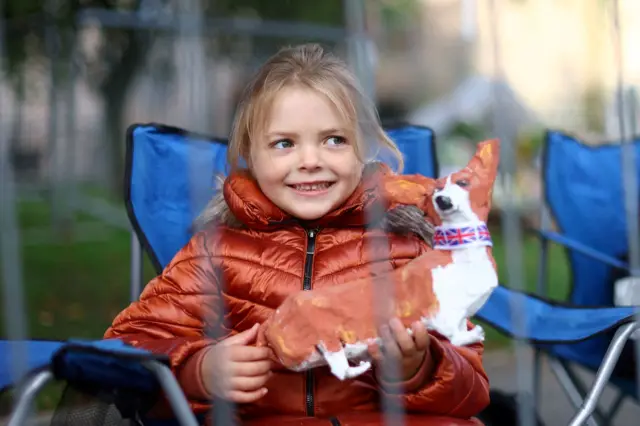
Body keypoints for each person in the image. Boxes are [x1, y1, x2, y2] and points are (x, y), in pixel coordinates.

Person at [105, 43, 489, 425]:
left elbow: (472, 386)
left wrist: (419, 368)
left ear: (364, 151)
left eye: (334, 140)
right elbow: (127, 346)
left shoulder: (406, 252)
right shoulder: (216, 253)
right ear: (249, 157)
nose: (310, 161)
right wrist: (196, 372)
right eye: (284, 143)